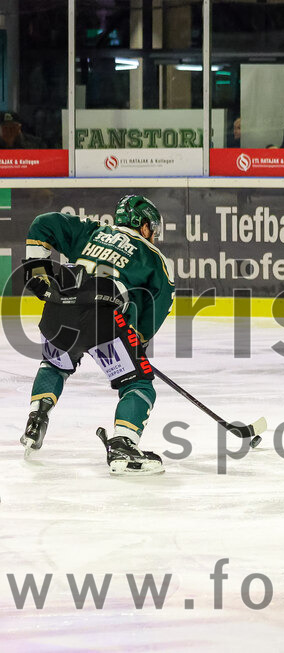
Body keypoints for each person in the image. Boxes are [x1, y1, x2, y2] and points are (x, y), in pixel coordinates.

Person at [21, 195, 175, 474]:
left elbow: (43, 223)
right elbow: (159, 303)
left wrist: (35, 269)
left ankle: (37, 417)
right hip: (102, 318)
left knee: (54, 366)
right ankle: (123, 442)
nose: (153, 234)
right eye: (152, 227)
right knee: (138, 384)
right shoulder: (154, 258)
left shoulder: (92, 231)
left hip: (57, 311)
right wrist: (137, 339)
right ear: (142, 225)